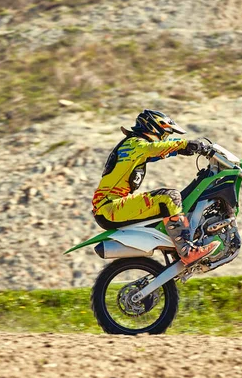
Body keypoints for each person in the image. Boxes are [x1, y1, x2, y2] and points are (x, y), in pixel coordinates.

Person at [92, 109, 220, 265]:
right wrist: (186, 144)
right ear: (153, 128)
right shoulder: (133, 144)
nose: (165, 138)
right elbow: (154, 149)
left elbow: (157, 152)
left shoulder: (135, 147)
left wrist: (184, 150)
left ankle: (177, 247)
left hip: (112, 207)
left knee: (178, 202)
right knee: (169, 197)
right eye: (165, 134)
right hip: (110, 208)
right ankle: (187, 251)